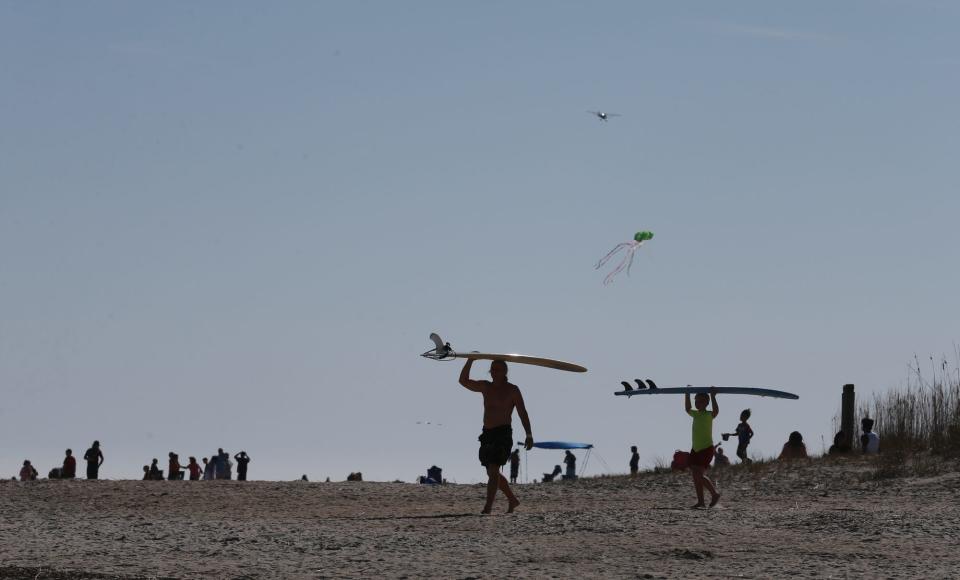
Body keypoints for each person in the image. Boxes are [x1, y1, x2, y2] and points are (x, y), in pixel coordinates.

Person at [459, 359, 533, 514]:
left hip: (503, 434)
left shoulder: (512, 390)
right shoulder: (486, 387)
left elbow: (523, 413)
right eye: (492, 369)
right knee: (492, 472)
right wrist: (470, 360)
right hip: (487, 434)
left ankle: (488, 507)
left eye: (498, 369)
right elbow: (463, 381)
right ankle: (512, 500)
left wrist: (529, 434)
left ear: (505, 372)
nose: (494, 372)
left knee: (493, 470)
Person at [685, 389, 721, 508]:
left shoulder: (708, 414)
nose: (697, 403)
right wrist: (687, 393)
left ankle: (714, 494)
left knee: (698, 474)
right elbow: (687, 408)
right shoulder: (695, 414)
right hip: (695, 449)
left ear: (706, 403)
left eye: (700, 401)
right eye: (696, 401)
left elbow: (716, 411)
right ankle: (701, 502)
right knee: (695, 476)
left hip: (706, 448)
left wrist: (713, 395)